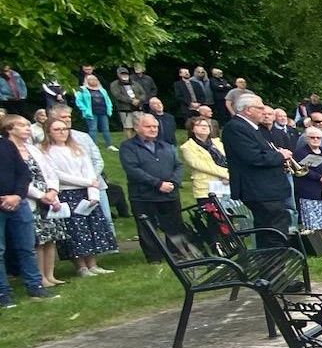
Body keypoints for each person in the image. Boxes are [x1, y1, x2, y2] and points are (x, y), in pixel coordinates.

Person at [39, 117, 118, 280]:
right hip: (66, 193)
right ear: (48, 132)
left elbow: (89, 170)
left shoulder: (77, 148)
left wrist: (93, 193)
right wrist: (86, 182)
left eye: (64, 129)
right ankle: (81, 266)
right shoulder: (46, 151)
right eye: (57, 129)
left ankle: (93, 264)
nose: (62, 132)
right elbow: (57, 175)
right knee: (75, 231)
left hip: (85, 193)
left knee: (91, 228)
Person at [221, 94, 293, 249]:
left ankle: (272, 262)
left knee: (271, 229)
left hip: (266, 188)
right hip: (259, 189)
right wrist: (280, 156)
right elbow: (253, 157)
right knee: (273, 231)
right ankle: (275, 263)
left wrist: (277, 157)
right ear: (248, 110)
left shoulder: (251, 128)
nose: (264, 111)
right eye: (260, 108)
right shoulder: (236, 128)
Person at [0, 117, 56, 306]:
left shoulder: (6, 146)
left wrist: (17, 195)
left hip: (19, 202)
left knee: (27, 247)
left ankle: (35, 286)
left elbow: (24, 173)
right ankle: (3, 293)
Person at [7, 115, 65, 287]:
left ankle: (50, 275)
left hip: (48, 195)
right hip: (30, 197)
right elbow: (19, 179)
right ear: (10, 129)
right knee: (38, 240)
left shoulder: (32, 148)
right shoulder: (8, 150)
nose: (27, 128)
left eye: (27, 125)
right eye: (22, 125)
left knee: (51, 237)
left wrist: (53, 190)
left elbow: (49, 171)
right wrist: (41, 196)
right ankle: (40, 277)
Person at [120, 112, 186, 261]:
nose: (153, 129)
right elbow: (132, 169)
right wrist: (157, 183)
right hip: (143, 195)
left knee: (174, 225)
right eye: (148, 126)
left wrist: (173, 182)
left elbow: (179, 165)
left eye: (155, 126)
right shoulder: (128, 147)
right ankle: (154, 257)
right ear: (137, 127)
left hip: (169, 194)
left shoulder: (166, 145)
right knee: (147, 228)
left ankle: (177, 253)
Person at [178, 116, 230, 203]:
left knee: (230, 210)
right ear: (192, 129)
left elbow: (228, 159)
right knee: (213, 211)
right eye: (200, 125)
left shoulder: (217, 143)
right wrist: (226, 174)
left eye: (206, 126)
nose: (204, 127)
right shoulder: (187, 147)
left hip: (226, 185)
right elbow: (203, 166)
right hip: (206, 188)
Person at [107, 68, 148, 140]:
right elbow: (118, 95)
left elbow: (143, 93)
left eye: (126, 73)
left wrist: (138, 100)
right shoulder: (114, 84)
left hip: (138, 108)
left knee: (139, 126)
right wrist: (131, 101)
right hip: (125, 109)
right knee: (128, 127)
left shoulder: (135, 83)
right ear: (118, 75)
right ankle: (129, 142)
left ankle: (138, 141)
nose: (124, 75)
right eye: (122, 74)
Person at [75, 75, 115, 149]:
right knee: (93, 129)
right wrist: (85, 110)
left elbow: (108, 100)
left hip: (103, 112)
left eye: (95, 79)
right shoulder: (82, 89)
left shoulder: (102, 90)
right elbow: (79, 101)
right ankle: (93, 146)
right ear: (86, 81)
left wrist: (109, 109)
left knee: (106, 129)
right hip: (91, 113)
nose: (93, 81)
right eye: (91, 79)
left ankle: (109, 145)